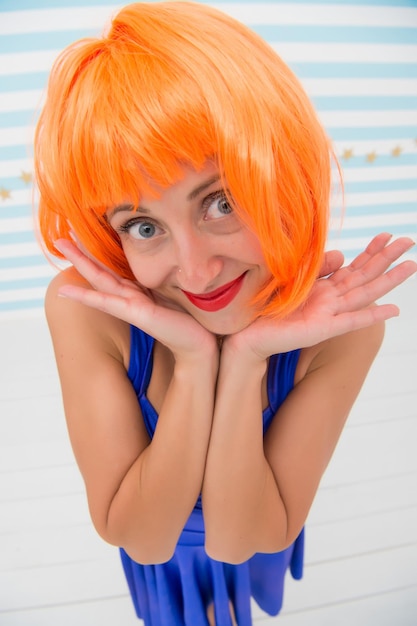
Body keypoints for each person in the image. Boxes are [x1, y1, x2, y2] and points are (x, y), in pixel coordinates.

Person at [34, 2, 416, 624]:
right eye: (143, 224)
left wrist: (243, 360)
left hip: (257, 521)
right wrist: (190, 361)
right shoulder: (86, 308)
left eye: (219, 202)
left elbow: (244, 538)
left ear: (282, 173)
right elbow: (142, 537)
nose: (196, 269)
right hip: (163, 553)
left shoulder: (340, 328)